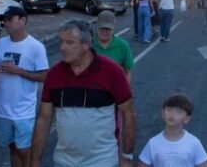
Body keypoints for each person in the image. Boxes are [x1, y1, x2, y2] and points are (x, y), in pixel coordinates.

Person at [31, 20, 136, 167]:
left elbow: (128, 113)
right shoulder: (54, 75)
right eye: (61, 41)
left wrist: (127, 155)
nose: (62, 47)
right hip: (63, 162)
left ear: (86, 45)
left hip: (103, 161)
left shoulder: (112, 71)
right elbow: (44, 119)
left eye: (69, 42)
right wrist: (35, 161)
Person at [0, 6, 49, 167]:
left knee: (25, 151)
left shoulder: (36, 47)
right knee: (12, 147)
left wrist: (19, 71)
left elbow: (45, 76)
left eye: (9, 19)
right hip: (2, 110)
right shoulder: (1, 44)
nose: (6, 23)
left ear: (23, 20)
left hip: (23, 111)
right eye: (4, 20)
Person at [138, 94, 207, 167]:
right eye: (169, 109)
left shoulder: (194, 143)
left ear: (187, 119)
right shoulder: (153, 143)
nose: (172, 114)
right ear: (162, 113)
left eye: (179, 111)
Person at [94, 10, 134, 83]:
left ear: (113, 28)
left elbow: (128, 71)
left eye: (108, 29)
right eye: (102, 28)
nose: (104, 31)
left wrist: (125, 88)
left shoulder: (123, 46)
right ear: (97, 26)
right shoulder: (88, 45)